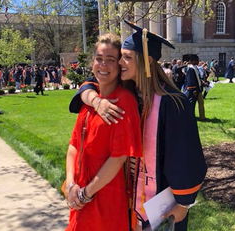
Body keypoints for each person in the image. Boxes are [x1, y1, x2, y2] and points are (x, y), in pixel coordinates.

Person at [69, 20, 207, 231]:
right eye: (121, 56)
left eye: (127, 57)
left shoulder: (172, 103)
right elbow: (89, 84)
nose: (120, 63)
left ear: (147, 61)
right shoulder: (131, 93)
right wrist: (97, 101)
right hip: (129, 201)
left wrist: (183, 204)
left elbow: (185, 157)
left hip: (162, 204)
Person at [65, 33, 142, 231]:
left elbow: (119, 157)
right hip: (79, 193)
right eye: (99, 59)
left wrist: (85, 194)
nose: (103, 65)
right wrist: (71, 185)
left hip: (105, 197)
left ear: (119, 65)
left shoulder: (124, 102)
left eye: (110, 60)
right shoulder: (90, 100)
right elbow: (74, 145)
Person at [183, 55, 206, 121]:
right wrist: (193, 90)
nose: (198, 61)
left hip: (198, 89)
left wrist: (202, 82)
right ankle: (190, 116)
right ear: (193, 60)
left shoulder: (195, 67)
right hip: (193, 90)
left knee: (201, 102)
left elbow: (197, 78)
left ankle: (202, 117)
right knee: (192, 104)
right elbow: (190, 80)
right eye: (197, 60)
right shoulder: (190, 68)